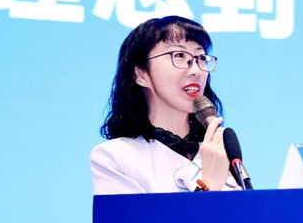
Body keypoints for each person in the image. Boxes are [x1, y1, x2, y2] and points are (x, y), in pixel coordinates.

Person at [90, 16, 239, 194]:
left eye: (201, 58)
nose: (196, 70)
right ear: (141, 74)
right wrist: (209, 184)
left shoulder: (219, 153)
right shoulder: (115, 158)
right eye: (179, 55)